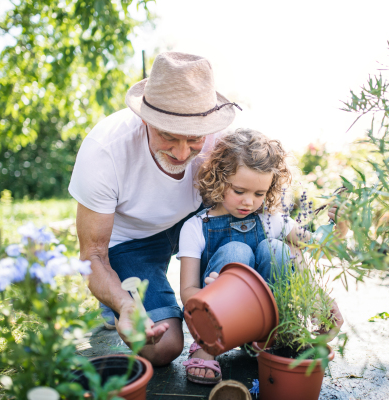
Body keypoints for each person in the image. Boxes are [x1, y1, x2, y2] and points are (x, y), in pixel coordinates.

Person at [69, 52, 242, 366]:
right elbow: (91, 254)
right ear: (145, 118)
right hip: (132, 242)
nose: (180, 152)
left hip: (195, 221)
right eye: (167, 135)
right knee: (163, 347)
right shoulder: (104, 151)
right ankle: (118, 297)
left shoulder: (222, 142)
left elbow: (257, 200)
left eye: (193, 139)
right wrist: (125, 305)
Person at [177, 128, 344, 384]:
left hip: (264, 324)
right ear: (219, 179)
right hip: (219, 318)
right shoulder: (196, 226)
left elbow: (316, 244)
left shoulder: (271, 220)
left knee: (276, 249)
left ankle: (273, 338)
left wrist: (340, 228)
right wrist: (206, 295)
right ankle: (206, 347)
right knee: (236, 251)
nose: (249, 202)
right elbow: (187, 290)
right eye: (240, 191)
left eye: (259, 194)